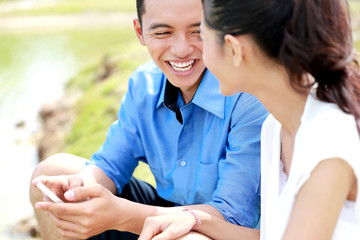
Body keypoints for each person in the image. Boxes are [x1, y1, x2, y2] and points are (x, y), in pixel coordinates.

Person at [30, 0, 268, 239]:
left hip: (222, 229)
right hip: (164, 208)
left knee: (191, 238)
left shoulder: (247, 94)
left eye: (198, 31)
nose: (181, 49)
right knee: (53, 172)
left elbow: (232, 215)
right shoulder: (144, 84)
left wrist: (121, 215)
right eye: (163, 32)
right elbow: (109, 166)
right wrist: (75, 189)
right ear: (140, 31)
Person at [138, 0, 360, 239]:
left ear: (233, 50)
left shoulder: (327, 143)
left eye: (202, 34)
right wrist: (196, 219)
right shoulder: (276, 126)